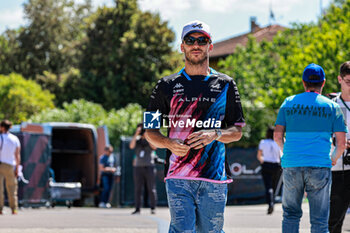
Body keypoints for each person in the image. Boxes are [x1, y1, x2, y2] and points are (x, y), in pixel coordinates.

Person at [145, 20, 245, 232]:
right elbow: (150, 132)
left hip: (214, 178)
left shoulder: (225, 84)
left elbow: (237, 131)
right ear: (182, 46)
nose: (196, 45)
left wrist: (216, 134)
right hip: (178, 175)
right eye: (190, 40)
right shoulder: (166, 85)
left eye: (202, 40)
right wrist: (168, 143)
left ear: (210, 45)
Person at [274, 63, 347, 233]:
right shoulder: (332, 106)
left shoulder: (289, 102)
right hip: (319, 165)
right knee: (320, 220)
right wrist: (333, 158)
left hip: (292, 164)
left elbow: (277, 136)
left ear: (303, 82)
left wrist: (288, 153)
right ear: (323, 82)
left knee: (291, 215)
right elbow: (342, 143)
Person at [328, 61, 350, 233]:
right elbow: (322, 136)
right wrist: (336, 143)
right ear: (339, 80)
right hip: (338, 169)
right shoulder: (331, 105)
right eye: (348, 82)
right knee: (334, 221)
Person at [129, 123, 158, 215]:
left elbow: (154, 147)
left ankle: (153, 208)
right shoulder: (137, 140)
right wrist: (136, 134)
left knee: (151, 188)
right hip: (138, 167)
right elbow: (131, 146)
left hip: (149, 166)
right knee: (138, 188)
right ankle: (137, 208)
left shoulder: (150, 139)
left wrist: (147, 136)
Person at [257, 126, 282, 215]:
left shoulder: (263, 142)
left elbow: (259, 155)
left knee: (268, 186)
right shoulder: (278, 142)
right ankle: (273, 202)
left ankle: (270, 203)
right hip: (276, 165)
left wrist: (263, 161)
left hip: (266, 164)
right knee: (274, 186)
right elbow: (281, 155)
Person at [0, 120, 21, 215]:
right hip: (10, 165)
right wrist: (17, 167)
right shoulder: (15, 139)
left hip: (0, 164)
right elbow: (17, 155)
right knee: (12, 188)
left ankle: (0, 209)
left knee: (0, 189)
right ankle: (14, 209)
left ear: (2, 127)